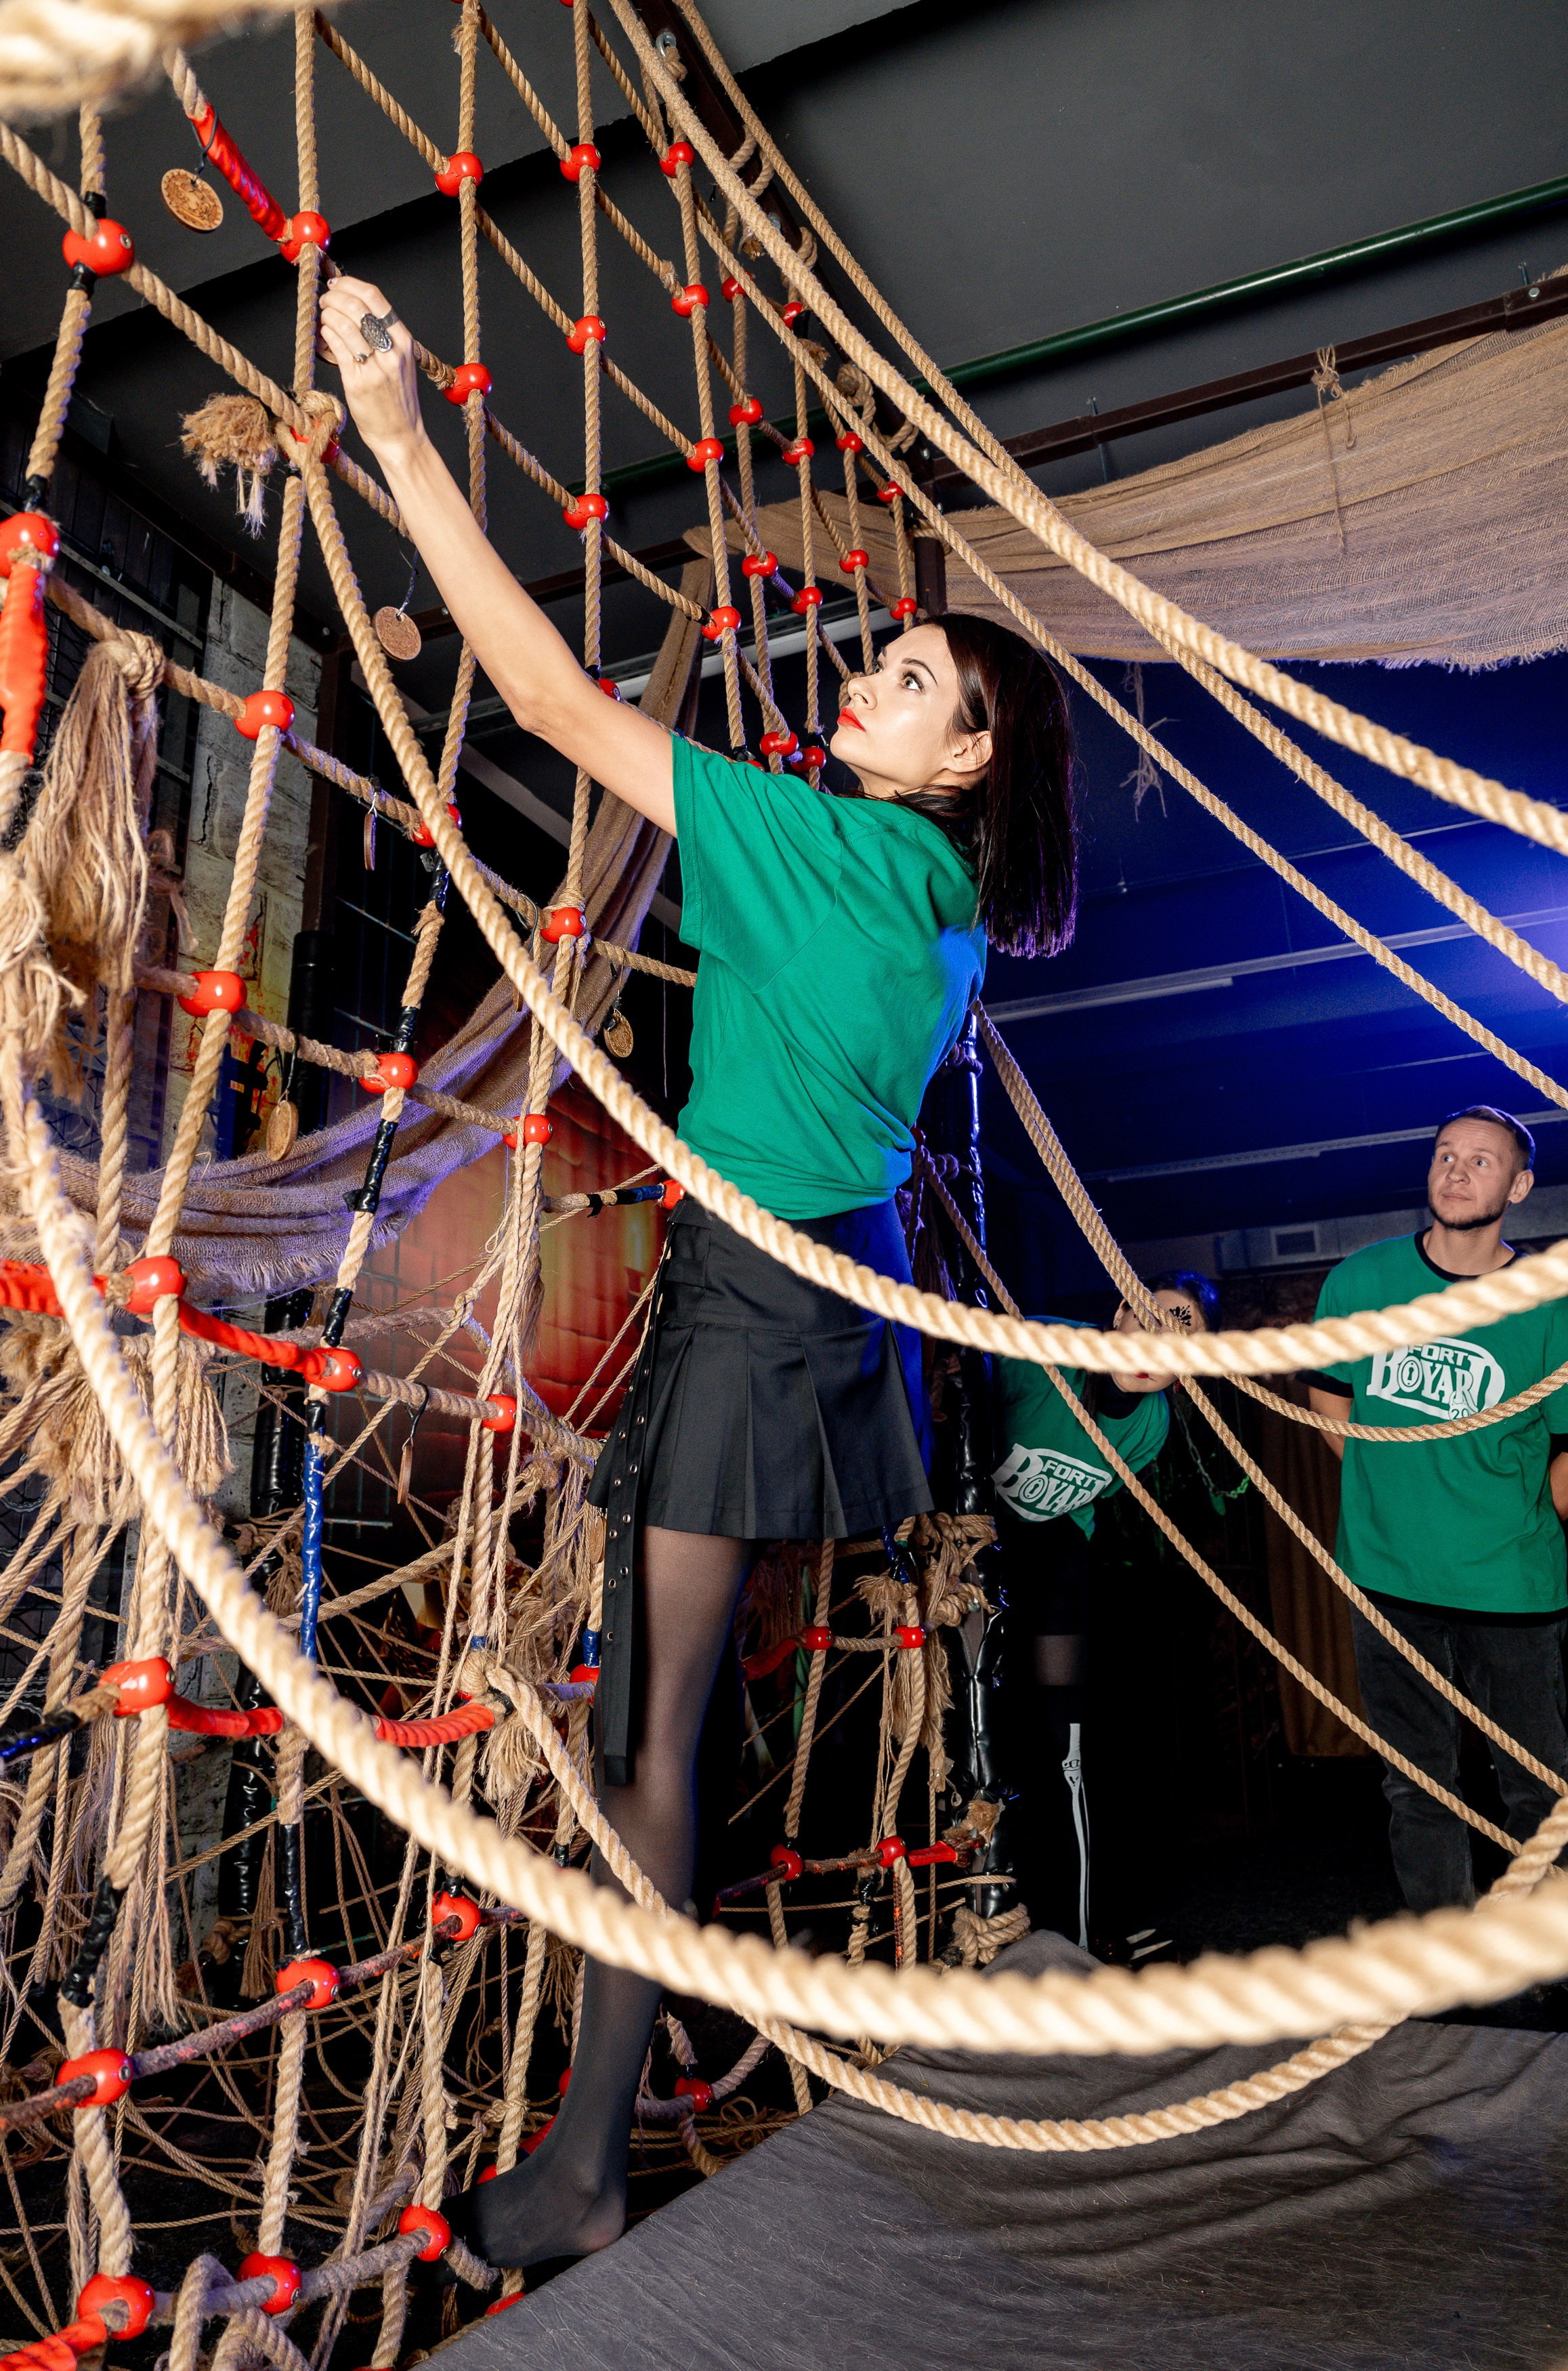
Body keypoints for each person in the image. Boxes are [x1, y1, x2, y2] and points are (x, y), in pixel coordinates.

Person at [318, 275, 1079, 2270]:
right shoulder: (942, 918)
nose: (872, 677)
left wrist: (401, 444)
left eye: (912, 678)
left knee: (648, 1722)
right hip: (837, 1298)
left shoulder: (818, 845)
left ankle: (579, 2165)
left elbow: (560, 709)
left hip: (755, 1297)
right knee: (680, 1710)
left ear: (964, 754)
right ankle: (640, 2065)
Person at [1308, 1106, 1568, 1914]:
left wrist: (1512, 1523)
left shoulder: (1546, 1304)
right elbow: (1327, 1403)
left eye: (1481, 1161)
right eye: (1445, 1155)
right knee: (1416, 1783)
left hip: (1512, 1588)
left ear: (1519, 1186)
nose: (1456, 1172)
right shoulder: (1361, 1280)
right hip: (1390, 1579)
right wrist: (1397, 1499)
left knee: (1538, 1788)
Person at [992, 1272, 1214, 1949]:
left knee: (1064, 1733)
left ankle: (1079, 1928)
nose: (1161, 1341)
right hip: (974, 1530)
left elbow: (1082, 1503)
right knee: (980, 1726)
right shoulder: (1043, 1349)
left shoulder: (1152, 1426)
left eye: (1186, 1332)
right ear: (1119, 1310)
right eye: (1155, 1316)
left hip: (1053, 1545)